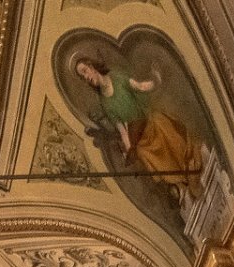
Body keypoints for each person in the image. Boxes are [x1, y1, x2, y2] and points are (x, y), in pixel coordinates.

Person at [72, 55, 205, 213]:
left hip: (148, 120)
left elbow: (140, 86)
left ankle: (190, 167)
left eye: (85, 71)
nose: (86, 78)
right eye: (82, 77)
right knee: (143, 152)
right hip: (139, 135)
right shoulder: (105, 103)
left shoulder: (116, 77)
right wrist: (130, 150)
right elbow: (122, 131)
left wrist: (156, 80)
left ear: (91, 66)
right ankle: (181, 181)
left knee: (162, 125)